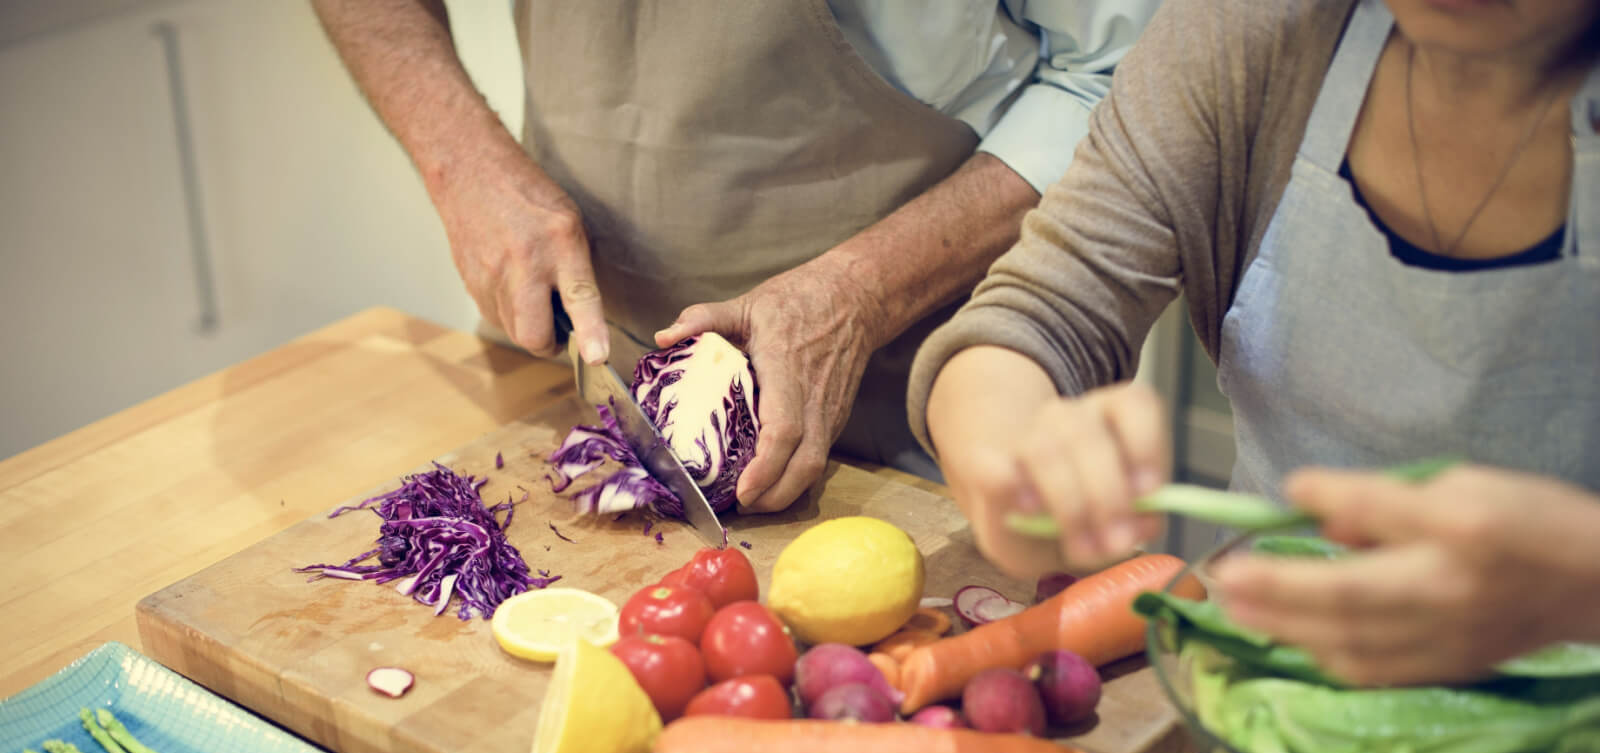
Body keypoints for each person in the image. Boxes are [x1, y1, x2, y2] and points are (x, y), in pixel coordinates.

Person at [912, 0, 1600, 685]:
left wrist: (1578, 580)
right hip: (1262, 694)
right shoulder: (1250, 29)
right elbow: (1039, 315)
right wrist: (1010, 453)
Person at [310, 0, 1161, 512]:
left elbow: (1124, 77)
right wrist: (463, 163)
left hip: (947, 391)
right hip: (573, 352)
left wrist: (859, 294)